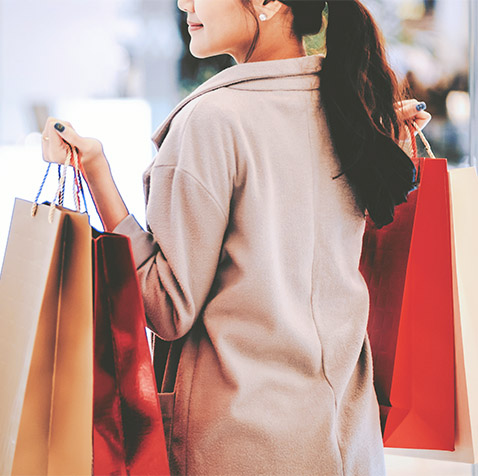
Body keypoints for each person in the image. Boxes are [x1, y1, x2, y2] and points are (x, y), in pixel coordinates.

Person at [41, 1, 431, 474]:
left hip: (240, 447)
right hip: (350, 443)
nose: (184, 2)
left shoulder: (211, 122)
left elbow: (166, 307)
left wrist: (97, 173)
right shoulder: (351, 110)